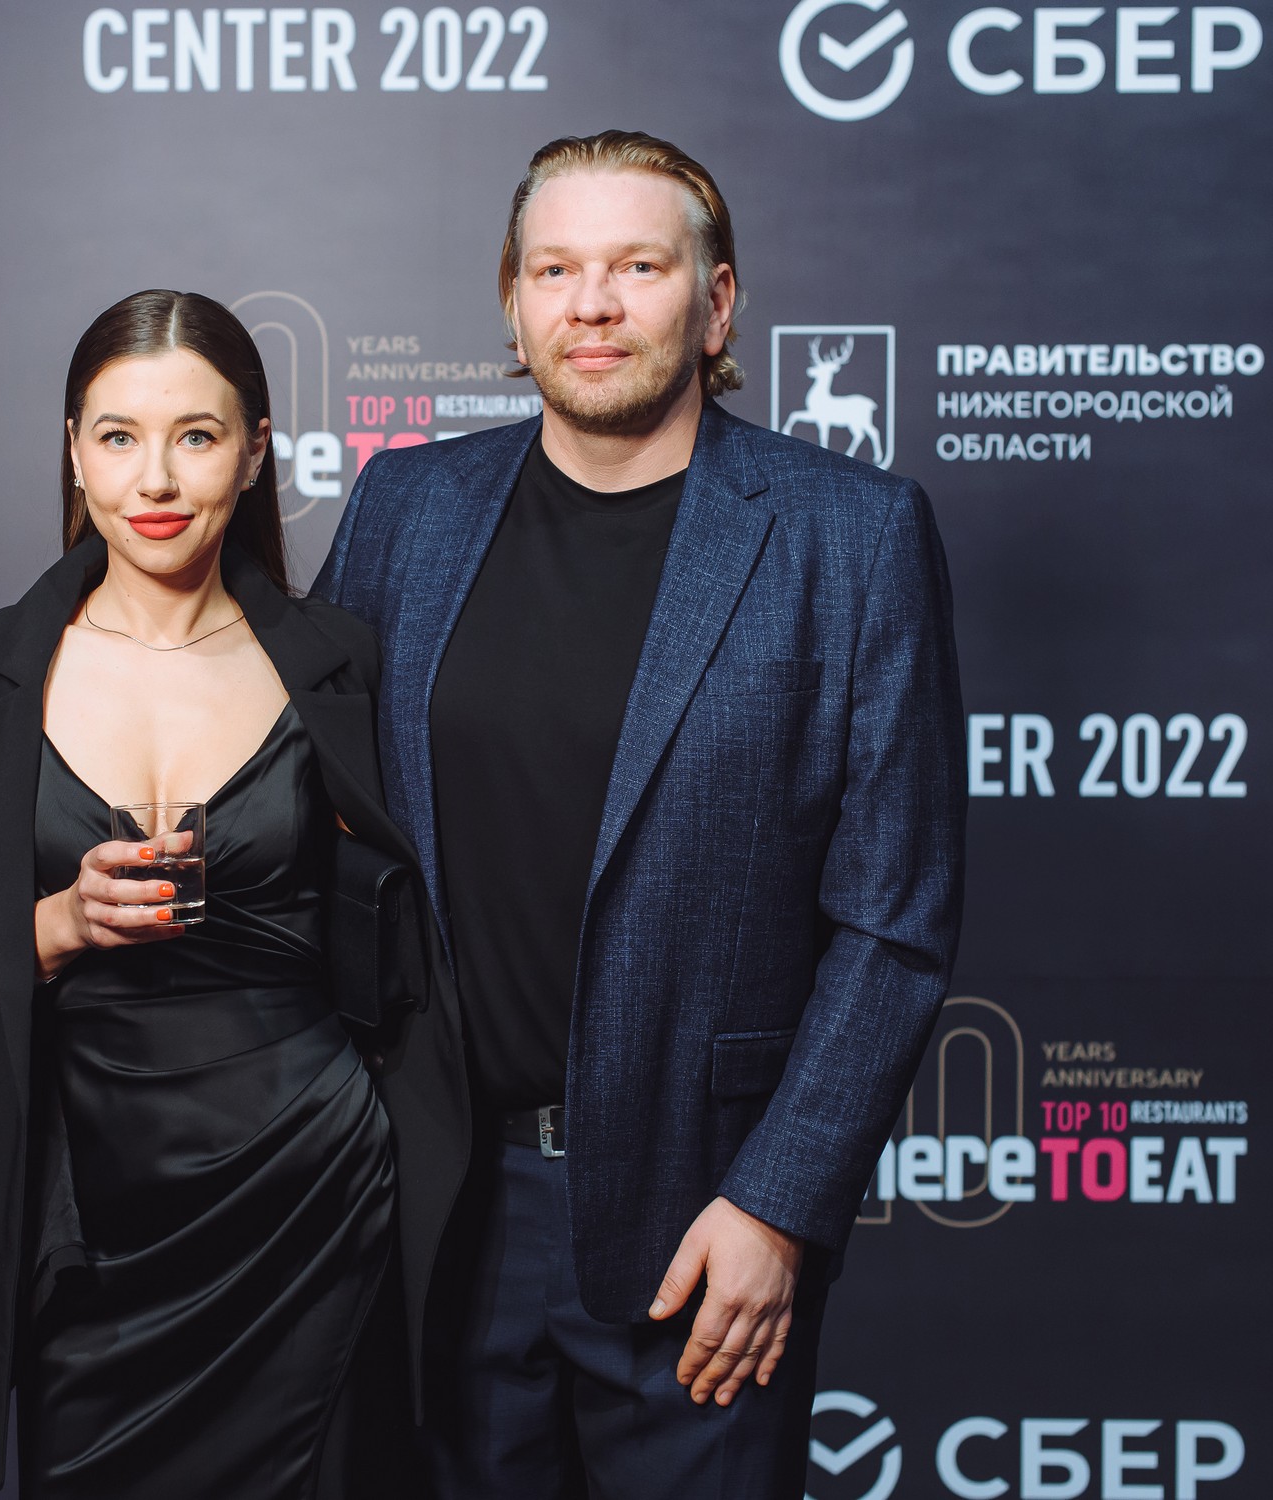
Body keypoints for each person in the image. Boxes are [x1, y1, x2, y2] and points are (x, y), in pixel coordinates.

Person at [313, 131, 966, 1498]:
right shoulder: (404, 511)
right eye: (553, 269)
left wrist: (778, 1204)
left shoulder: (849, 537)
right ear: (512, 304)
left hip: (699, 1221)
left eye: (636, 267)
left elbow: (892, 921)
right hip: (435, 1210)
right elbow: (305, 813)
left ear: (714, 304)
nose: (591, 305)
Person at [0, 290, 432, 1498]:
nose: (157, 479)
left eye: (197, 436)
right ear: (73, 453)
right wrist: (55, 925)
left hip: (310, 1194)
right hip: (87, 1225)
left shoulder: (347, 663)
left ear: (255, 453)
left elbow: (411, 937)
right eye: (119, 436)